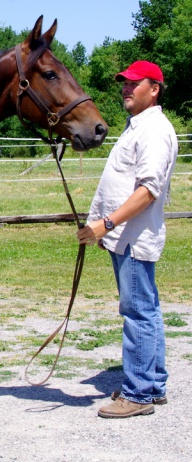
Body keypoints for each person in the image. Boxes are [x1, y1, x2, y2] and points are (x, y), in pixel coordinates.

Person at [76, 61, 178, 418]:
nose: (126, 88)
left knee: (138, 312)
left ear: (155, 89)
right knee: (146, 309)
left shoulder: (153, 131)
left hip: (133, 237)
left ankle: (137, 395)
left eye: (135, 83)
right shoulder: (139, 127)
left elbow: (147, 190)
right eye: (124, 83)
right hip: (126, 236)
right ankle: (152, 385)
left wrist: (106, 224)